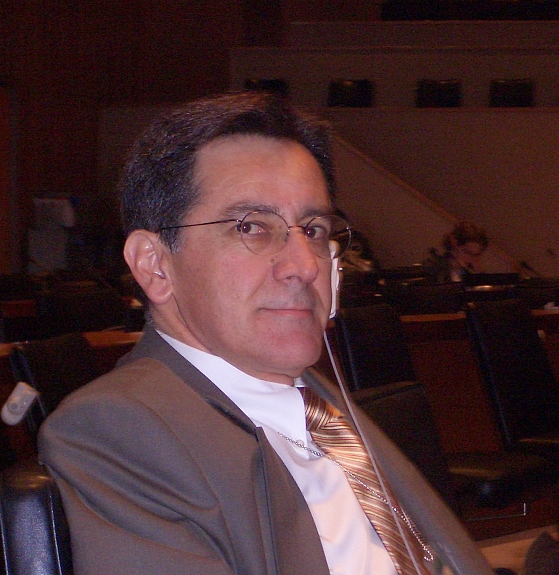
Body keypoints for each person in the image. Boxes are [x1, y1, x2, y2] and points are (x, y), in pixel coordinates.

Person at [38, 93, 493, 575]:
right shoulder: (119, 430)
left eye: (313, 230)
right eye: (251, 227)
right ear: (155, 265)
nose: (305, 265)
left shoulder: (321, 402)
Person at [423, 221, 490, 283]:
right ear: (454, 246)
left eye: (475, 255)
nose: (469, 258)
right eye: (466, 252)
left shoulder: (471, 273)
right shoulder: (435, 268)